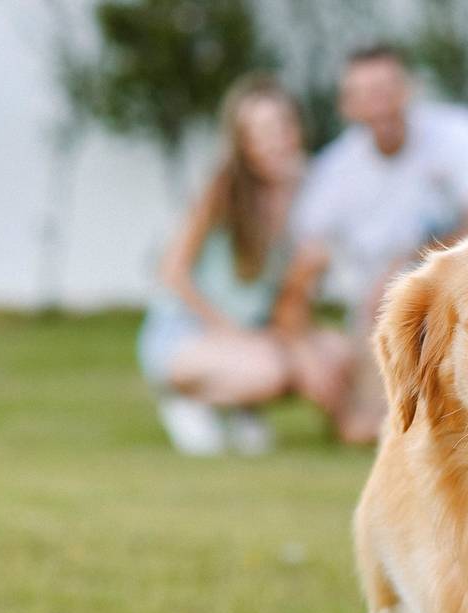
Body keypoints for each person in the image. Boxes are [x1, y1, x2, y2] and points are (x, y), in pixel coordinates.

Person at [289, 44, 468, 443]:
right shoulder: (334, 171)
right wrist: (305, 350)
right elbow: (303, 271)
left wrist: (407, 267)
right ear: (347, 106)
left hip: (466, 304)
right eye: (365, 94)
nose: (379, 104)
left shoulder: (460, 134)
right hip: (380, 322)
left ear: (409, 90)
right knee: (360, 431)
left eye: (387, 89)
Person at [138, 74, 351, 456]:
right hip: (187, 331)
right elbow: (172, 272)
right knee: (275, 369)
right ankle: (193, 400)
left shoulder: (311, 187)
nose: (275, 141)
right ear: (243, 142)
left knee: (338, 353)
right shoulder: (223, 188)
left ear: (297, 127)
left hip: (258, 333)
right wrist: (229, 333)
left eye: (282, 125)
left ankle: (238, 402)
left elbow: (298, 289)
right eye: (259, 132)